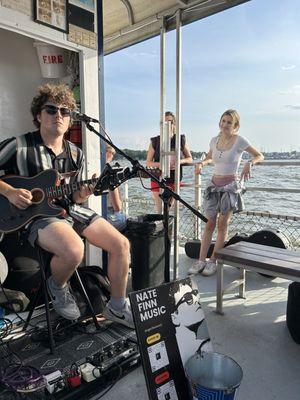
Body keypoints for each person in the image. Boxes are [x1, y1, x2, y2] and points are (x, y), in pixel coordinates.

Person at [0, 83, 134, 329]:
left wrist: (83, 194)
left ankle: (117, 306)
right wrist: (9, 192)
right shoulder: (19, 146)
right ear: (38, 115)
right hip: (36, 217)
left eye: (65, 111)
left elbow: (74, 199)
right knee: (74, 250)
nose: (58, 116)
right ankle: (58, 286)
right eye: (51, 110)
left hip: (68, 210)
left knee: (121, 244)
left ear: (71, 119)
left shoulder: (75, 153)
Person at [189, 109, 264, 276]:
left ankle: (213, 261)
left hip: (230, 186)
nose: (225, 125)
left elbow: (260, 155)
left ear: (235, 125)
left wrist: (249, 163)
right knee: (209, 224)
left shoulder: (239, 140)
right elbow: (210, 157)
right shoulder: (214, 140)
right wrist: (202, 163)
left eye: (229, 122)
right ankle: (201, 260)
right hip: (213, 185)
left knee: (223, 226)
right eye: (223, 121)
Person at [146, 111, 193, 213]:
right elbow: (148, 162)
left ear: (175, 125)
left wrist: (179, 161)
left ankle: (169, 228)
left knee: (169, 209)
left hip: (174, 178)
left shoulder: (180, 140)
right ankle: (161, 228)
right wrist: (162, 164)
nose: (167, 124)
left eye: (170, 122)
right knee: (160, 210)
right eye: (164, 122)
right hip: (157, 177)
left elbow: (190, 158)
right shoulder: (155, 141)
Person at [105, 145, 127, 231]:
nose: (112, 156)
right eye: (112, 153)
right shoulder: (109, 173)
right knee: (130, 221)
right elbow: (117, 207)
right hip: (107, 217)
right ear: (107, 153)